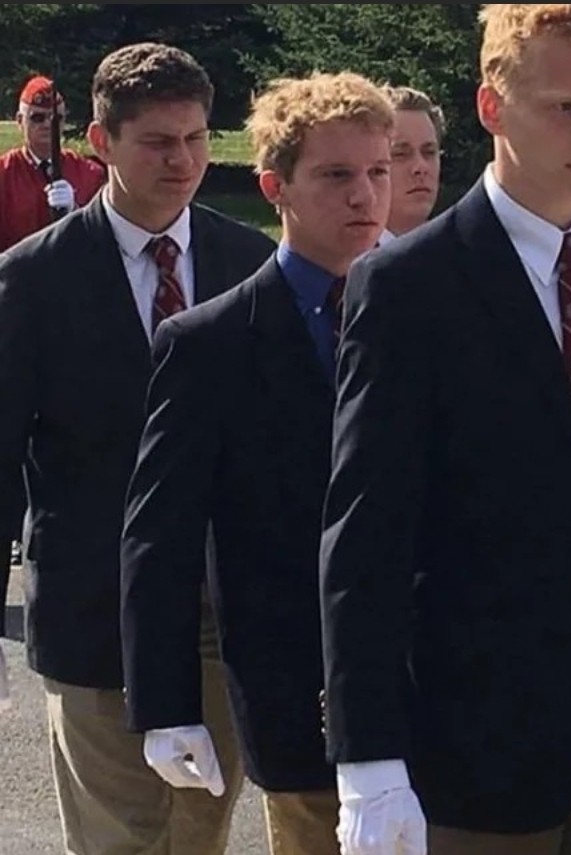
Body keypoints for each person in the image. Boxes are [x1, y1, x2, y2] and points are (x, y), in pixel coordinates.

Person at [318, 4, 571, 855]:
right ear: (492, 107)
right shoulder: (409, 284)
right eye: (565, 107)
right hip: (476, 735)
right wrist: (367, 753)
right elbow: (367, 529)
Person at [0, 42, 272, 854]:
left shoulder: (249, 264)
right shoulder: (32, 280)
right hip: (94, 611)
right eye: (157, 142)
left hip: (218, 616)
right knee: (120, 839)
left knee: (196, 835)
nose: (182, 160)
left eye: (194, 138)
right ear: (100, 142)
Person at [120, 71, 394, 855]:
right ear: (275, 186)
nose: (364, 195)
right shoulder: (211, 342)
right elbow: (160, 533)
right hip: (294, 685)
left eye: (377, 171)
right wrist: (166, 704)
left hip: (433, 687)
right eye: (335, 175)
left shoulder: (432, 316)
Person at [0, 75, 107, 252]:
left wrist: (76, 211)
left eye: (56, 118)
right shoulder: (4, 174)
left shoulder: (90, 174)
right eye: (37, 118)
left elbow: (103, 238)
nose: (47, 125)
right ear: (20, 121)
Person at [381, 84, 444, 241]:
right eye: (400, 154)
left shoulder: (465, 252)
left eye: (429, 152)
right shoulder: (339, 254)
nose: (420, 167)